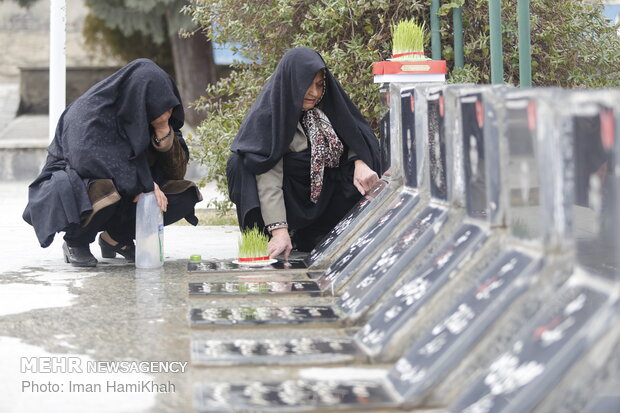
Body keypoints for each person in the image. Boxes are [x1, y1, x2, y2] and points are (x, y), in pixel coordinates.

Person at [23, 59, 202, 267]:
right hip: (78, 189)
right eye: (155, 105)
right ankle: (76, 241)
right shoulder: (89, 111)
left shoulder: (156, 116)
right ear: (139, 97)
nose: (162, 111)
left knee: (184, 194)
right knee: (106, 188)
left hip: (131, 190)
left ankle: (115, 237)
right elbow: (86, 161)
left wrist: (162, 130)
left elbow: (176, 172)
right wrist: (142, 183)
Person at [226, 47, 381, 261]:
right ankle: (269, 237)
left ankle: (317, 234)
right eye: (307, 85)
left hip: (322, 201)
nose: (314, 93)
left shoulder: (327, 109)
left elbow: (357, 136)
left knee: (360, 165)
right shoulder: (272, 116)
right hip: (285, 199)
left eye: (319, 85)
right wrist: (279, 230)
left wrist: (360, 162)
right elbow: (269, 178)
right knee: (240, 163)